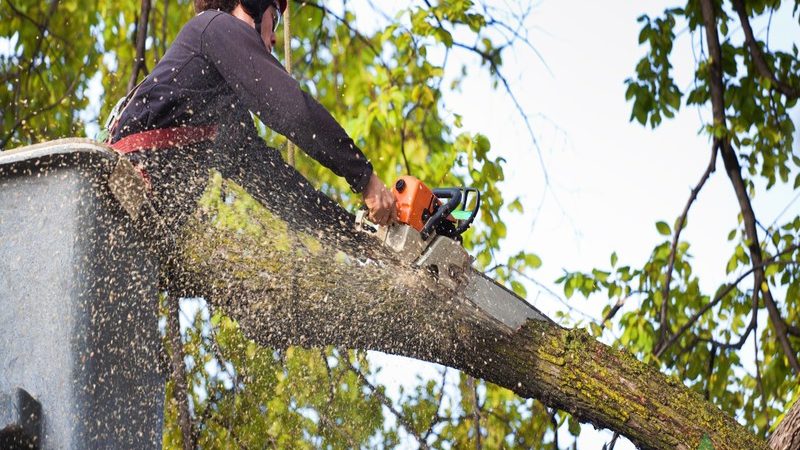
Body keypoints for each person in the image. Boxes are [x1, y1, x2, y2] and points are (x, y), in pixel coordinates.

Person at [108, 0, 398, 229]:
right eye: (276, 17)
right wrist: (364, 177)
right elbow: (292, 110)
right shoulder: (214, 27)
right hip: (121, 193)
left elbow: (279, 188)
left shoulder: (225, 116)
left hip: (144, 224)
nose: (273, 38)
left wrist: (356, 236)